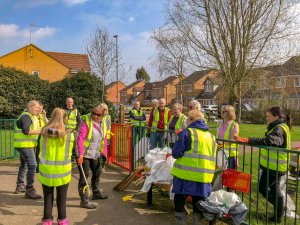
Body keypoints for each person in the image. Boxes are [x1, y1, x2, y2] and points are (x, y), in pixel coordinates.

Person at [235, 106, 291, 223]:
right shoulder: (279, 127)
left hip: (274, 167)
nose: (266, 118)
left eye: (268, 116)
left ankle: (279, 210)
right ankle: (278, 214)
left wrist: (247, 140)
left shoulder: (279, 129)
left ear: (276, 116)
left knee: (263, 188)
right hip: (275, 166)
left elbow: (269, 141)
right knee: (275, 191)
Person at [171, 110, 217, 225]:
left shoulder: (187, 132)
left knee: (180, 199)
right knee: (198, 201)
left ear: (191, 120)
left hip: (185, 174)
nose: (186, 121)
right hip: (203, 175)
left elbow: (176, 153)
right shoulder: (211, 137)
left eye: (187, 119)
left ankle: (180, 222)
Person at [38, 108, 74, 225]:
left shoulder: (43, 133)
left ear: (52, 116)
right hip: (63, 171)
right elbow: (73, 152)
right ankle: (62, 220)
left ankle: (47, 220)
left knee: (47, 197)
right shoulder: (69, 135)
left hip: (46, 169)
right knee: (62, 198)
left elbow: (38, 150)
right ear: (64, 118)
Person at [76, 105, 108, 209]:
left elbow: (104, 140)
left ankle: (95, 193)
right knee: (84, 177)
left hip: (95, 154)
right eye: (93, 113)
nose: (95, 116)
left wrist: (104, 153)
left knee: (97, 172)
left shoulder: (103, 123)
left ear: (102, 115)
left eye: (98, 114)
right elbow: (80, 138)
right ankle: (84, 200)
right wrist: (80, 154)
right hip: (84, 154)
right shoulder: (86, 122)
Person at [14, 100, 42, 199]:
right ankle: (29, 190)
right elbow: (26, 131)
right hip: (25, 145)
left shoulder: (30, 116)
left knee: (24, 165)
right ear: (30, 107)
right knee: (33, 165)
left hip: (24, 145)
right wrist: (41, 131)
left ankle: (20, 186)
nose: (38, 109)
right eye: (36, 107)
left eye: (39, 108)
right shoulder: (26, 116)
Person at [216, 105, 239, 169]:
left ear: (229, 113)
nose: (221, 113)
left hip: (230, 155)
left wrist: (221, 144)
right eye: (221, 111)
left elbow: (233, 139)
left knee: (228, 175)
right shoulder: (220, 124)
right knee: (220, 174)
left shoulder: (234, 125)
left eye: (223, 112)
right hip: (220, 152)